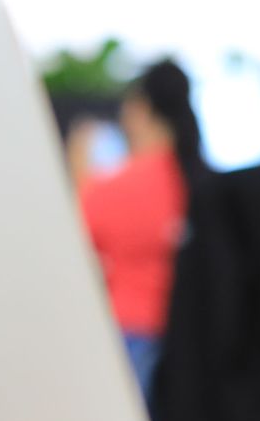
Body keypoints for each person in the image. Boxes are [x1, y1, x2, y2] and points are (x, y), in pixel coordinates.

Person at [66, 60, 207, 394]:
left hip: (129, 334)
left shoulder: (111, 187)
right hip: (192, 336)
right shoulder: (198, 181)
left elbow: (72, 250)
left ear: (140, 109)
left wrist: (77, 170)